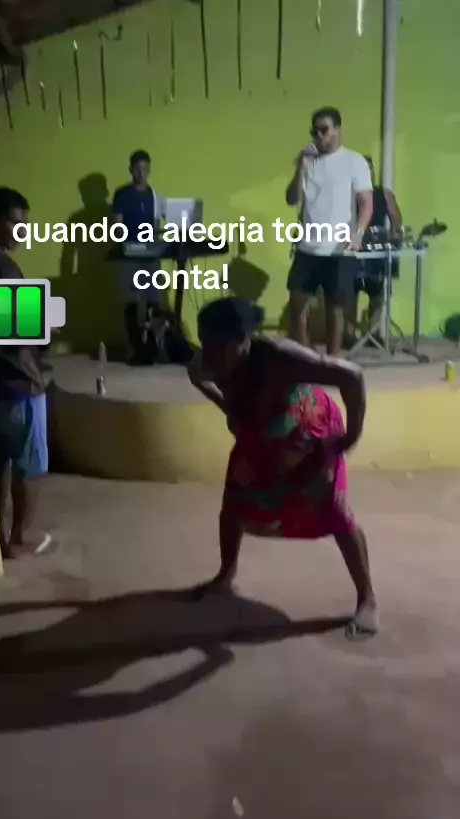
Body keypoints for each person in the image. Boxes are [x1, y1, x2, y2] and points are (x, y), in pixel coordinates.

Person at [188, 297, 378, 638]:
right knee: (234, 501)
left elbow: (352, 376)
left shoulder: (280, 357)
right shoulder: (208, 362)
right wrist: (229, 407)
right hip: (261, 433)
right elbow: (195, 374)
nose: (208, 353)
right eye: (204, 343)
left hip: (306, 429)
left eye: (217, 346)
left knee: (333, 509)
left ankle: (368, 599)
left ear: (243, 341)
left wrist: (350, 436)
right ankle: (225, 576)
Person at [0, 187, 52, 558]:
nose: (21, 231)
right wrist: (48, 328)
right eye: (15, 223)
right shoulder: (4, 268)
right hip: (16, 384)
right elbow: (18, 335)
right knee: (28, 466)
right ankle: (20, 537)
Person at [285, 107, 373, 356]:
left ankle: (332, 363)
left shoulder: (354, 161)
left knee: (335, 309)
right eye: (314, 131)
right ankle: (303, 359)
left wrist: (358, 233)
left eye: (324, 129)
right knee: (297, 303)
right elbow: (291, 199)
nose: (319, 136)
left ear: (338, 129)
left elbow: (366, 202)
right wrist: (300, 167)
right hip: (307, 247)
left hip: (338, 249)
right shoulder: (309, 162)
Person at [112, 150, 166, 364]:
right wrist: (126, 242)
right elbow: (116, 226)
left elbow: (159, 224)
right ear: (130, 170)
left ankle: (153, 348)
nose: (142, 173)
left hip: (151, 254)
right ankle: (136, 348)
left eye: (145, 169)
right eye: (137, 169)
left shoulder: (155, 196)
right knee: (132, 302)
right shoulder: (122, 195)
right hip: (130, 254)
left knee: (153, 301)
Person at [349, 156, 403, 344]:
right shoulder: (347, 194)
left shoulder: (384, 194)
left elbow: (396, 221)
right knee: (349, 293)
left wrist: (395, 236)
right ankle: (348, 336)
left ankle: (373, 334)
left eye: (369, 168)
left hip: (376, 252)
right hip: (353, 250)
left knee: (378, 294)